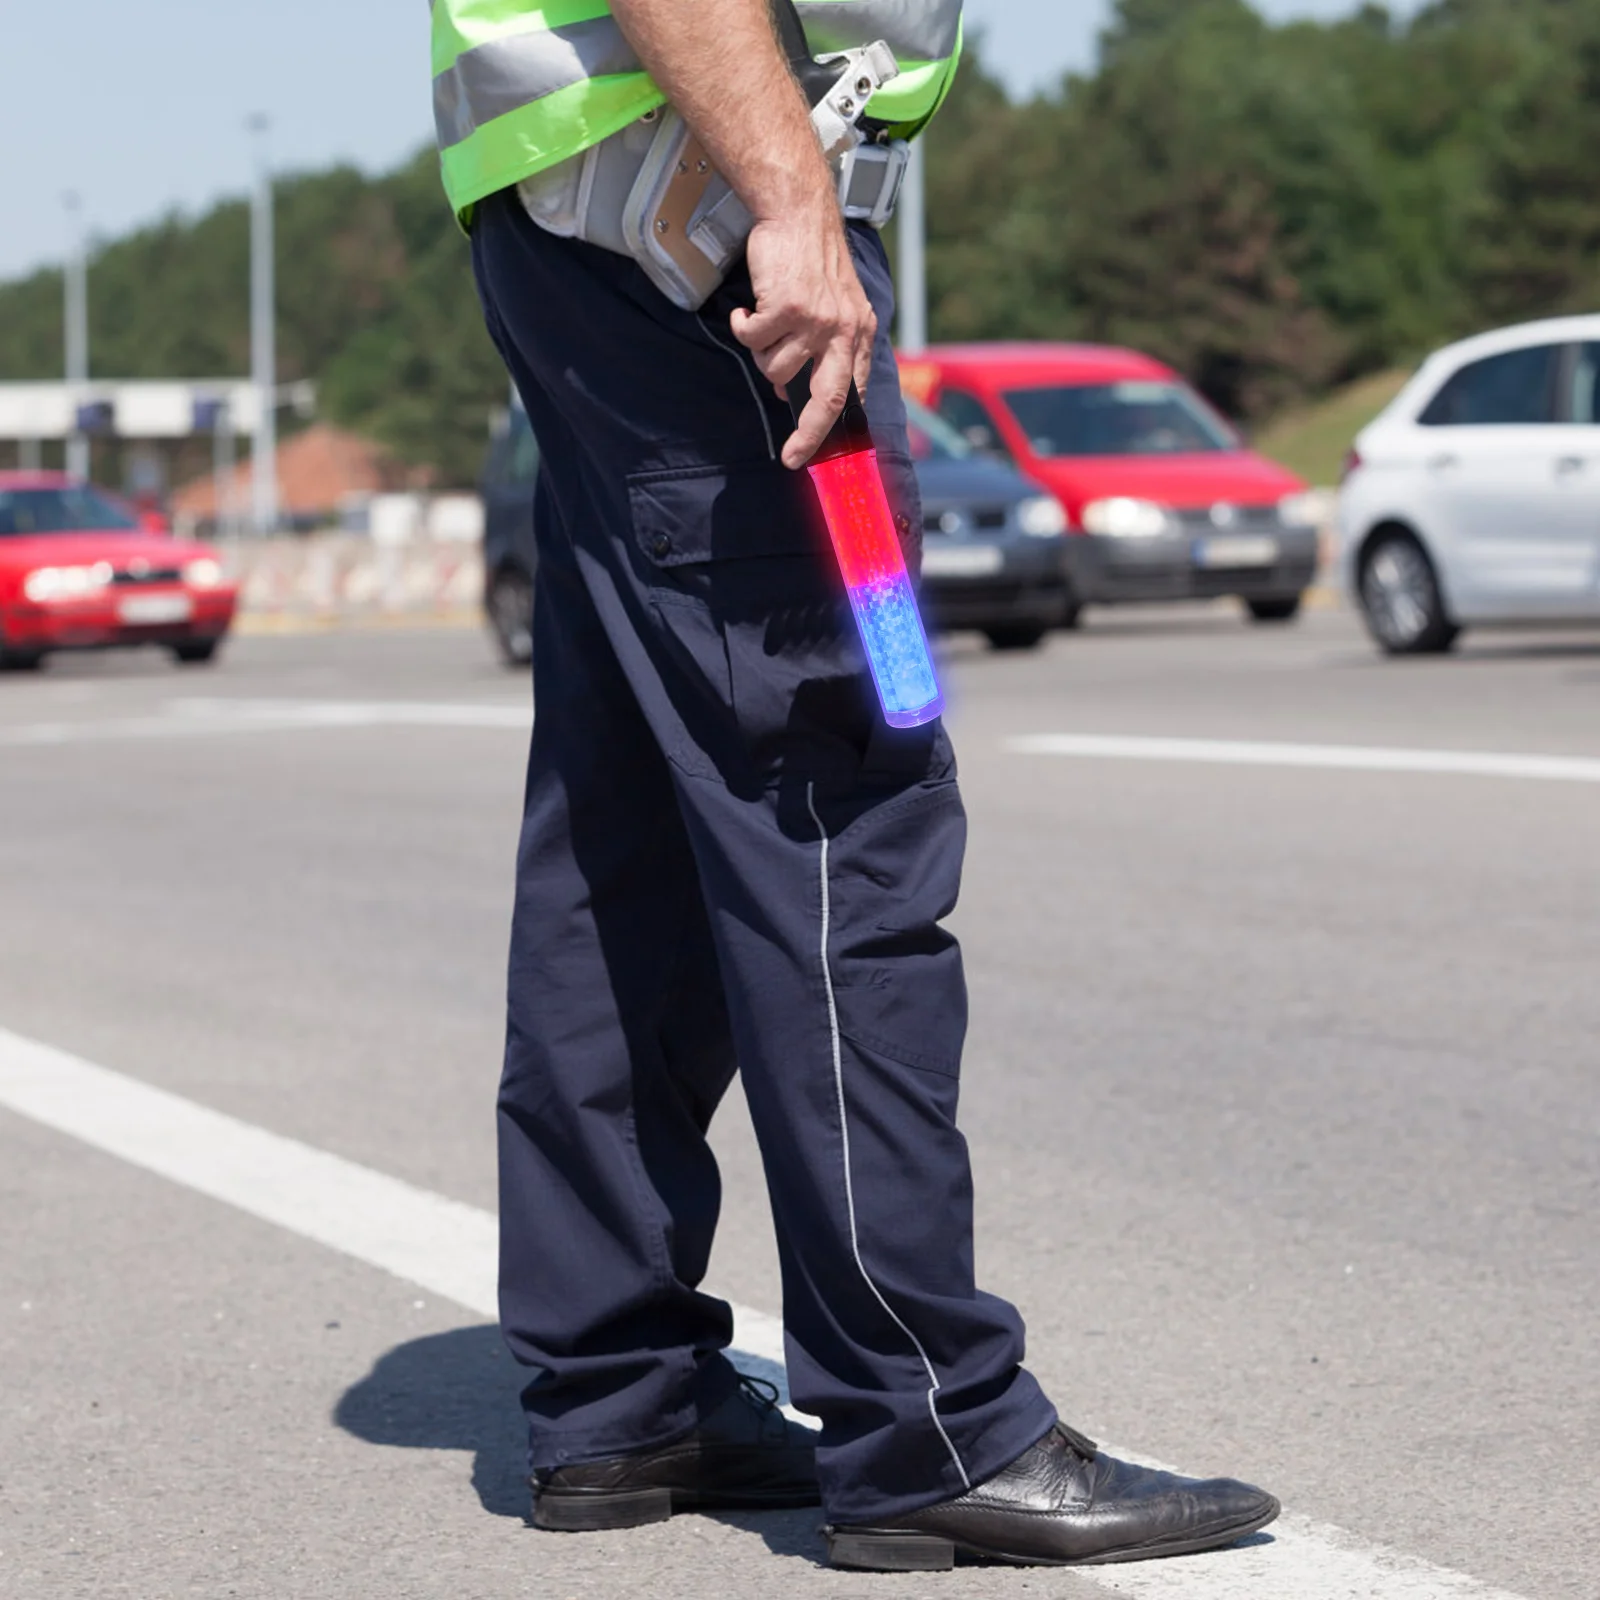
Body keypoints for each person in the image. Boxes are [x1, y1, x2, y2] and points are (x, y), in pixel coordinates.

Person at [432, 0, 1279, 1570]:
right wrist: (797, 210)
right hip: (722, 242)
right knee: (847, 792)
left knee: (626, 836)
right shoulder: (763, 220)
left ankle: (622, 1391)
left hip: (603, 231)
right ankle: (931, 1421)